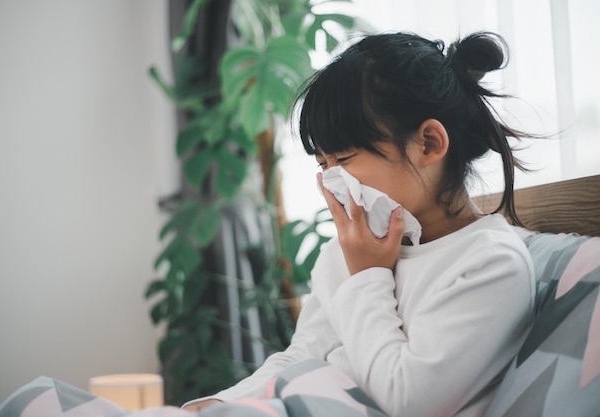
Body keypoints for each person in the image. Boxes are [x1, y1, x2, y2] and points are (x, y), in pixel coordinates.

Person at [183, 31, 536, 417]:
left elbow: (407, 400)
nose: (332, 181)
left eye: (345, 159)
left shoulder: (490, 262)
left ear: (429, 144)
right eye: (323, 165)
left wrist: (368, 275)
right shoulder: (348, 249)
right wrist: (219, 403)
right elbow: (302, 356)